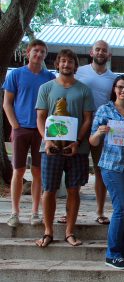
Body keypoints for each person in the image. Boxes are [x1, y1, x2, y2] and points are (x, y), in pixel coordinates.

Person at [35, 49, 94, 248]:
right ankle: (48, 231)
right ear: (57, 64)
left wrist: (77, 141)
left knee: (73, 190)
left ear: (75, 66)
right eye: (63, 61)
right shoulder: (46, 88)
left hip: (76, 148)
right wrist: (47, 140)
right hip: (51, 147)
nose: (66, 65)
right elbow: (41, 117)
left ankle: (69, 231)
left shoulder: (84, 90)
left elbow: (88, 119)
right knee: (48, 189)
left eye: (70, 62)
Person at [89, 75, 124, 270]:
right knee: (121, 208)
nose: (123, 91)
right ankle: (112, 253)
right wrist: (99, 132)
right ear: (114, 89)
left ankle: (122, 251)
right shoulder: (105, 110)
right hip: (113, 165)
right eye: (120, 87)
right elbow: (92, 141)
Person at [3, 39, 55, 227]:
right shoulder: (16, 75)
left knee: (38, 172)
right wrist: (14, 125)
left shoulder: (49, 77)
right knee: (18, 170)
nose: (39, 54)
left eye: (42, 52)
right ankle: (14, 212)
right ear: (28, 52)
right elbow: (7, 102)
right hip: (21, 129)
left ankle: (35, 211)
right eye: (36, 51)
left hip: (42, 131)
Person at [75, 40, 117, 225]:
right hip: (78, 127)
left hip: (102, 130)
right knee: (73, 169)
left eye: (104, 50)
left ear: (109, 55)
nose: (101, 52)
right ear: (91, 52)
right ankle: (70, 212)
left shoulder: (113, 78)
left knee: (101, 171)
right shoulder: (80, 72)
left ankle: (100, 211)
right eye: (97, 49)